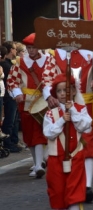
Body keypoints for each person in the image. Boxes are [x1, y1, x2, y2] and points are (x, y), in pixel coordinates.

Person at [43, 44, 93, 203]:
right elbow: (46, 78)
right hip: (60, 106)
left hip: (87, 103)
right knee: (63, 142)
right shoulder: (54, 54)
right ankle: (65, 182)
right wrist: (48, 96)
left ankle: (86, 186)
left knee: (88, 143)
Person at [43, 74, 92, 210]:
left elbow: (85, 126)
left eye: (66, 90)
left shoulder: (81, 109)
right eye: (59, 91)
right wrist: (62, 120)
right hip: (55, 159)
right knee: (57, 193)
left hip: (75, 156)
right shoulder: (50, 114)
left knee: (75, 192)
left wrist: (73, 111)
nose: (63, 94)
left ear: (74, 91)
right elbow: (48, 133)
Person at [6, 33, 52, 177]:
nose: (31, 50)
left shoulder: (49, 61)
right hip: (25, 102)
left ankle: (39, 164)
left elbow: (54, 79)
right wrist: (17, 93)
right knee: (28, 134)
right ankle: (37, 162)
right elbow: (11, 81)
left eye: (34, 48)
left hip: (43, 102)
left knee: (40, 132)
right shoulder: (19, 62)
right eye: (29, 48)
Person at [0, 41, 21, 152]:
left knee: (13, 120)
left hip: (11, 95)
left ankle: (12, 141)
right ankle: (8, 143)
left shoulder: (10, 64)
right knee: (9, 120)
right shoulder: (5, 65)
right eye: (14, 48)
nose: (15, 51)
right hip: (8, 96)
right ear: (9, 50)